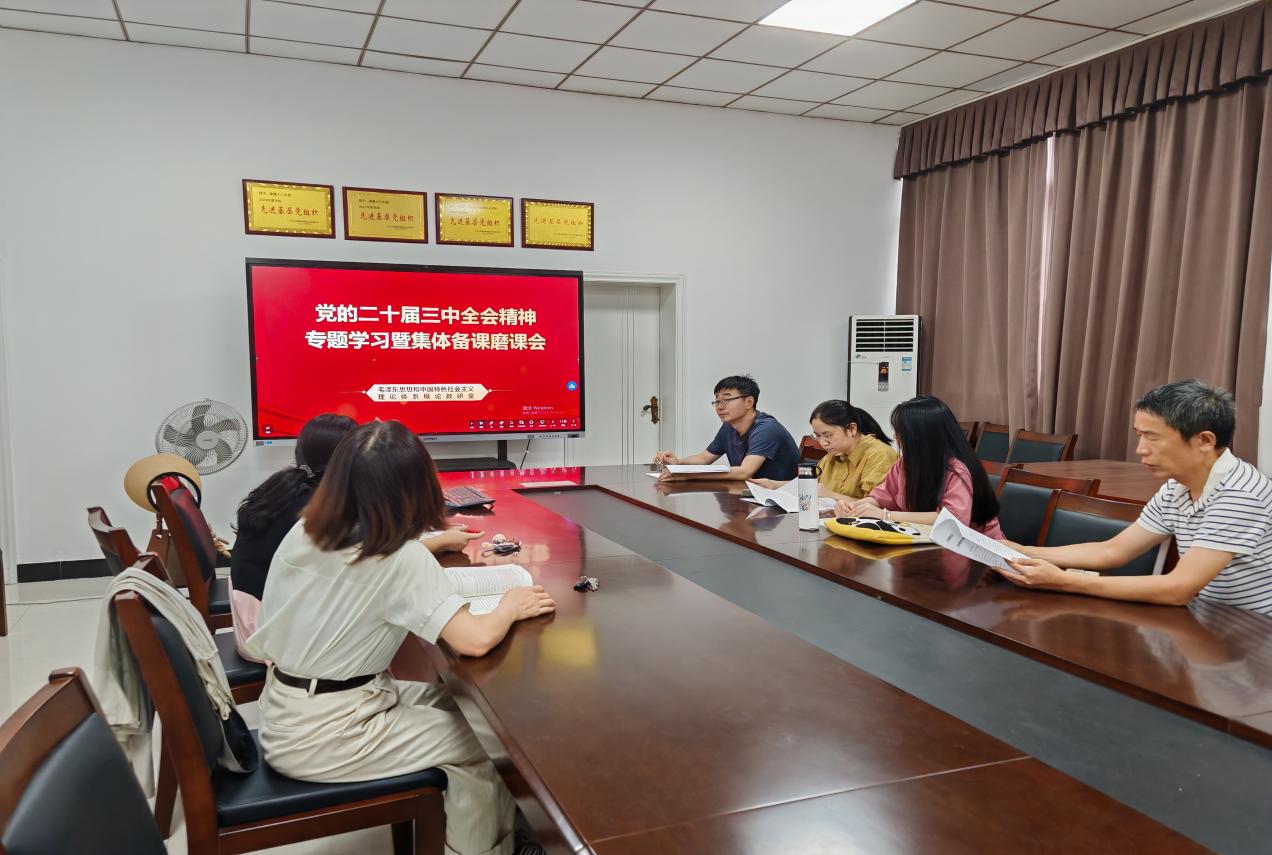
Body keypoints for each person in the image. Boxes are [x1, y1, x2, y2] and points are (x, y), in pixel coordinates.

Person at [245, 420, 555, 855]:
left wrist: (435, 546)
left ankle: (499, 825)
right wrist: (511, 605)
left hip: (288, 710)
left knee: (471, 710)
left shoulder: (309, 529)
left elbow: (367, 569)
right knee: (491, 746)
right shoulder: (398, 559)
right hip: (332, 734)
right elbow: (475, 640)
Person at [997, 380, 1272, 615]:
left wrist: (1062, 580)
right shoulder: (1175, 489)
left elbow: (1178, 589)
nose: (1141, 449)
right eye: (1140, 436)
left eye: (1153, 437)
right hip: (1211, 617)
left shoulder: (1240, 495)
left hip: (1254, 634)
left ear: (1205, 441)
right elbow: (1113, 551)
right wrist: (1024, 551)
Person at [230, 413, 480, 659]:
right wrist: (438, 542)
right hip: (270, 636)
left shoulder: (294, 491)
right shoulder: (315, 513)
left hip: (268, 622)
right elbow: (368, 563)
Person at [837, 395, 1002, 536]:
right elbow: (882, 497)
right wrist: (855, 507)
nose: (896, 437)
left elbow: (951, 520)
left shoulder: (956, 470)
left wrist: (885, 515)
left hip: (973, 549)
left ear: (921, 436)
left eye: (901, 432)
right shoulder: (904, 463)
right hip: (927, 541)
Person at [652, 375, 799, 481]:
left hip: (778, 502)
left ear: (749, 402)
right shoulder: (729, 427)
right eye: (717, 401)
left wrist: (685, 475)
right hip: (749, 494)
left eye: (726, 400)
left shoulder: (766, 428)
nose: (720, 407)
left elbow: (744, 472)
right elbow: (704, 458)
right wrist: (678, 463)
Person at [753, 399, 898, 501]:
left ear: (852, 429)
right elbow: (812, 486)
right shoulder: (835, 452)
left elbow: (876, 506)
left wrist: (830, 495)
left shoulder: (879, 456)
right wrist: (774, 484)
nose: (823, 443)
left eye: (828, 435)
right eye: (817, 436)